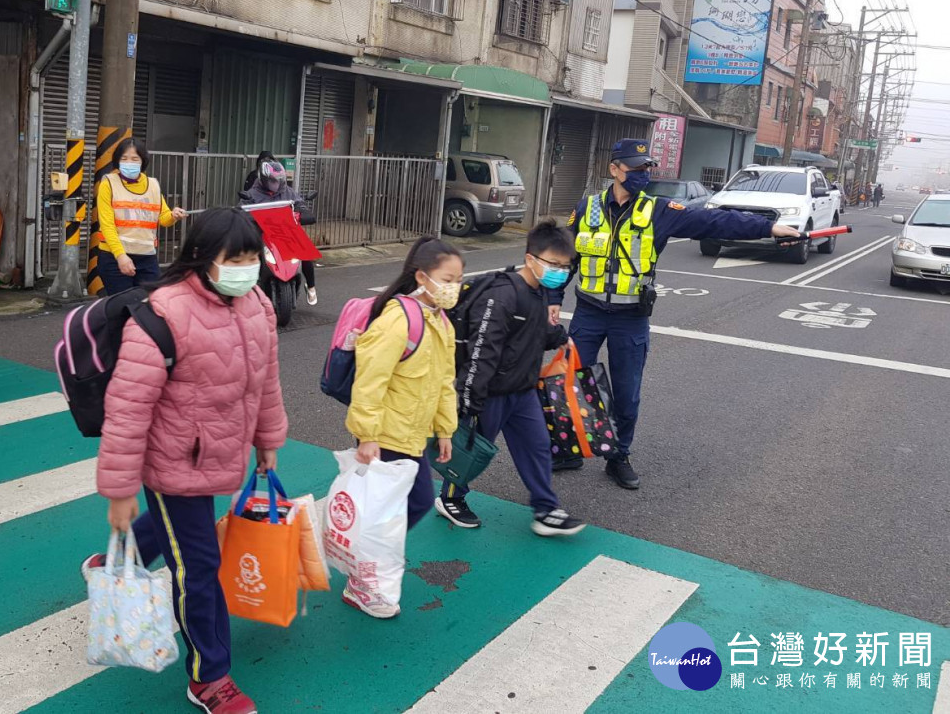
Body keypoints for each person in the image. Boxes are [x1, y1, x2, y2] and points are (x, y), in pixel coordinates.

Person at [86, 207, 287, 714]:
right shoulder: (163, 314)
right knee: (199, 567)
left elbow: (265, 379)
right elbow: (128, 410)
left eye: (252, 258)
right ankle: (209, 677)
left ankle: (117, 559)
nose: (247, 269)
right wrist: (120, 489)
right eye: (234, 259)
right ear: (201, 258)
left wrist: (268, 437)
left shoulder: (256, 303)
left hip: (218, 450)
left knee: (183, 535)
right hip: (170, 461)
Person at [548, 139, 802, 491]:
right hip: (588, 313)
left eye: (647, 168)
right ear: (614, 169)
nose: (643, 174)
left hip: (630, 317)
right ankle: (572, 446)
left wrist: (767, 228)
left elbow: (713, 221)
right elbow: (565, 257)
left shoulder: (659, 210)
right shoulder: (586, 207)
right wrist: (552, 297)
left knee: (626, 391)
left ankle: (618, 455)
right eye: (635, 168)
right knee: (571, 382)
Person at [434, 221, 585, 538]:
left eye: (564, 267)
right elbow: (482, 350)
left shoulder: (538, 291)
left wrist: (559, 337)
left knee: (538, 447)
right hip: (490, 393)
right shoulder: (503, 296)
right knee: (471, 450)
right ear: (531, 259)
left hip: (523, 390)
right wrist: (468, 400)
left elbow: (536, 329)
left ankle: (545, 509)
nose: (559, 271)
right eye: (553, 264)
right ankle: (450, 497)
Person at [344, 237, 460, 618]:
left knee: (403, 509)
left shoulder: (440, 321)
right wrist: (367, 435)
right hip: (388, 435)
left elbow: (445, 380)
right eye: (447, 278)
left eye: (458, 279)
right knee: (404, 507)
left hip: (413, 435)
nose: (454, 287)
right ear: (422, 276)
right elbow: (370, 380)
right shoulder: (399, 318)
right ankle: (364, 577)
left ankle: (365, 564)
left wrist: (445, 429)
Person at [95, 138, 187, 294]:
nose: (128, 162)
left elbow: (164, 218)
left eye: (134, 159)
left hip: (146, 257)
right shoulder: (108, 183)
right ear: (117, 161)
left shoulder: (153, 185)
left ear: (142, 161)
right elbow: (107, 225)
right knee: (124, 308)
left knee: (151, 303)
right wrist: (121, 256)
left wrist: (173, 215)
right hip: (114, 257)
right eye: (123, 158)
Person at [242, 160, 319, 306]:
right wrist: (245, 215)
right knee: (247, 253)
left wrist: (304, 211)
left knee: (304, 253)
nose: (276, 184)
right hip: (263, 234)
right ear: (264, 179)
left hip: (285, 231)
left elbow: (299, 203)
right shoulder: (253, 193)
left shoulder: (286, 191)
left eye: (279, 180)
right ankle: (245, 289)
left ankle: (311, 286)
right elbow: (242, 207)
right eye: (272, 181)